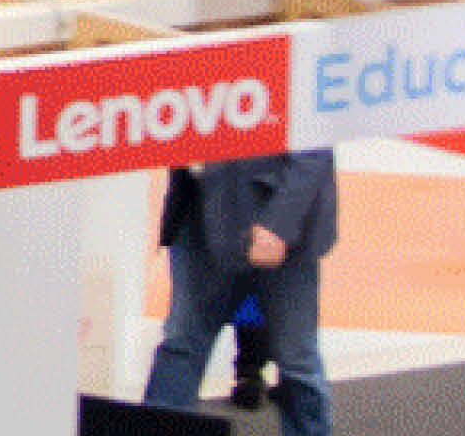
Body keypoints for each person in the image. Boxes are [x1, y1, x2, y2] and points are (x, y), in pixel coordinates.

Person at [140, 139, 335, 435]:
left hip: (278, 228)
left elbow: (314, 147)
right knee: (181, 345)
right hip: (200, 212)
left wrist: (279, 223)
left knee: (297, 361)